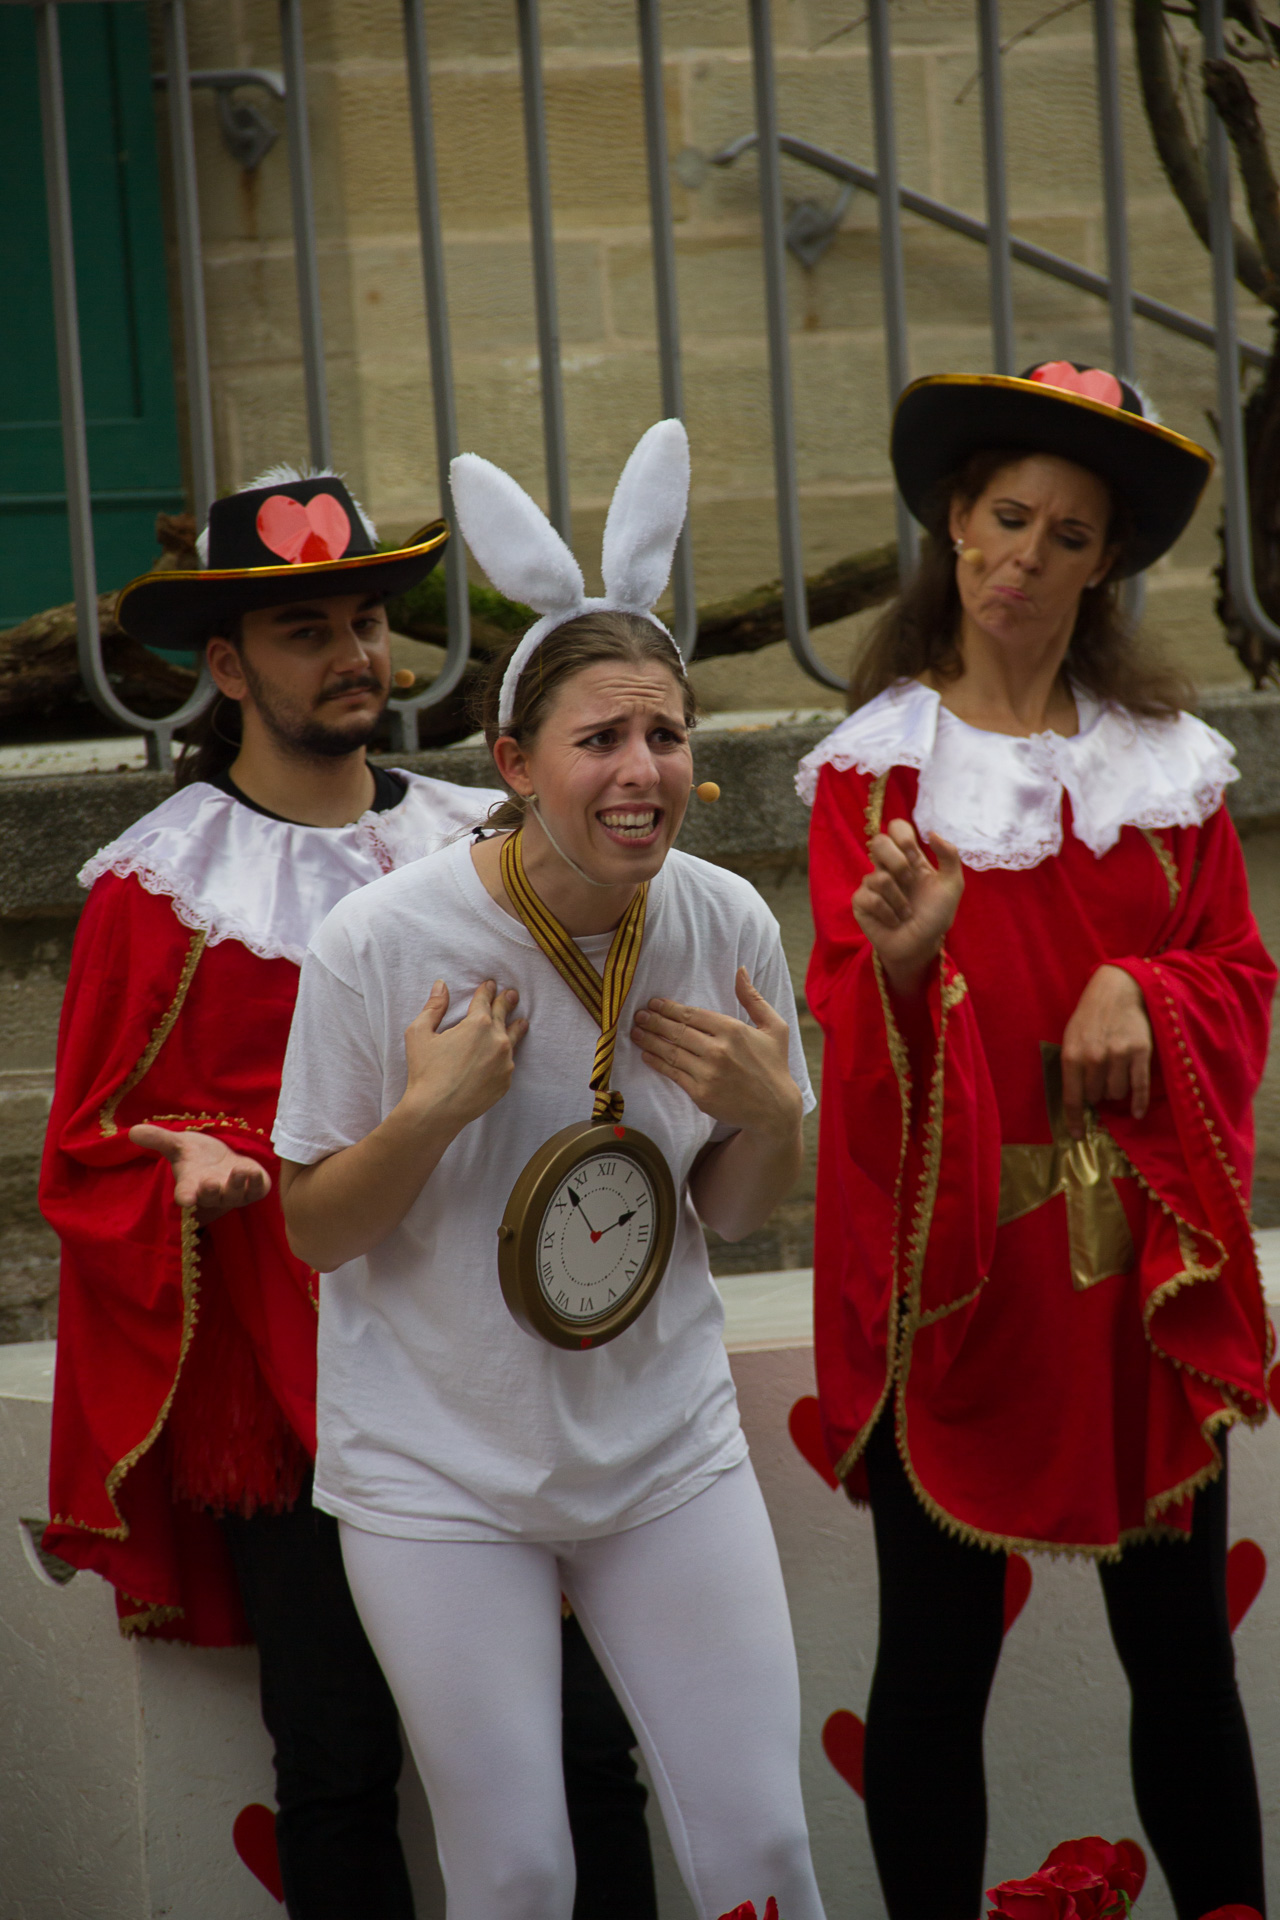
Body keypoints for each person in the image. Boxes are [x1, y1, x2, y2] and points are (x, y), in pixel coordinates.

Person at [40, 466, 656, 1920]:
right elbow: (90, 1139)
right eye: (308, 628)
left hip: (485, 1367)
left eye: (368, 619)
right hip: (286, 1379)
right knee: (335, 1757)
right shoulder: (161, 885)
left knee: (581, 1743)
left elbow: (584, 1058)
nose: (356, 655)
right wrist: (179, 1153)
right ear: (227, 667)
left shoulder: (481, 846)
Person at [273, 422, 827, 1920]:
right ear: (515, 765)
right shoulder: (379, 948)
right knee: (517, 1869)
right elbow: (317, 1232)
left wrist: (780, 1118)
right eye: (600, 740)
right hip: (439, 1469)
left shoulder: (723, 923)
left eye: (667, 735)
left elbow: (724, 1214)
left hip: (663, 1450)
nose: (642, 772)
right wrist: (423, 1120)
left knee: (763, 1848)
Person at [798, 361, 1275, 1920]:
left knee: (1184, 1659)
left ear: (1107, 562)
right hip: (956, 1273)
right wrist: (907, 960)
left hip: (1135, 1266)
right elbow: (850, 1048)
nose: (1025, 559)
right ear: (953, 519)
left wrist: (1140, 980)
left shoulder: (1169, 769)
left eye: (1068, 535)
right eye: (1006, 517)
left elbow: (1241, 975)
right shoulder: (875, 773)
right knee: (933, 1668)